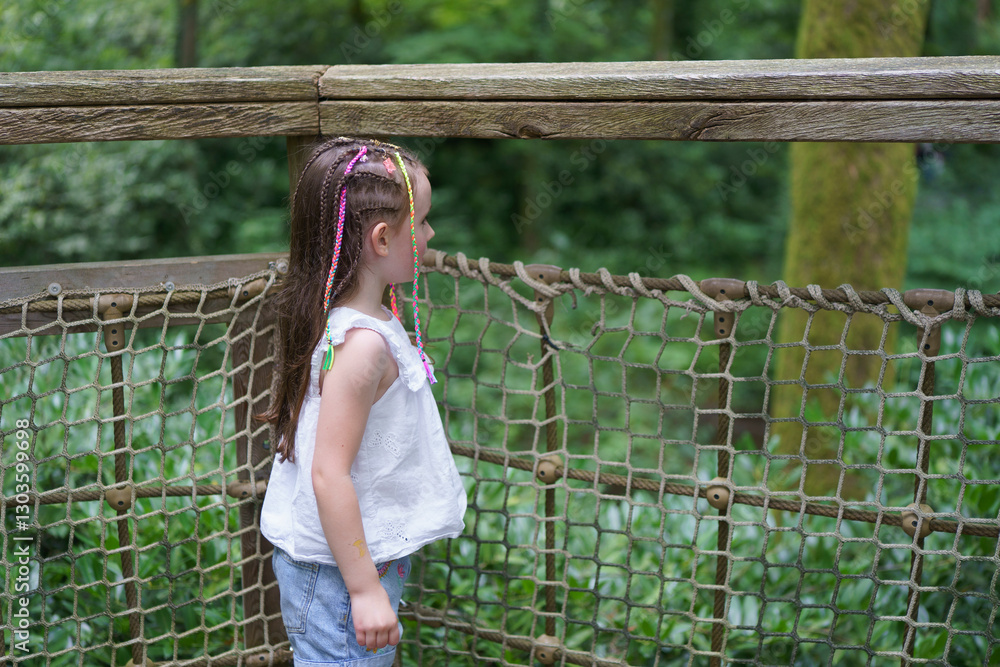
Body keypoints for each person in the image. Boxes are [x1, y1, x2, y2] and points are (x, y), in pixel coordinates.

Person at [258, 137, 467, 666]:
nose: (429, 235)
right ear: (380, 238)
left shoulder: (368, 320)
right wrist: (364, 590)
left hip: (351, 564)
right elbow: (329, 473)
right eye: (420, 224)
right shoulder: (362, 345)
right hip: (337, 578)